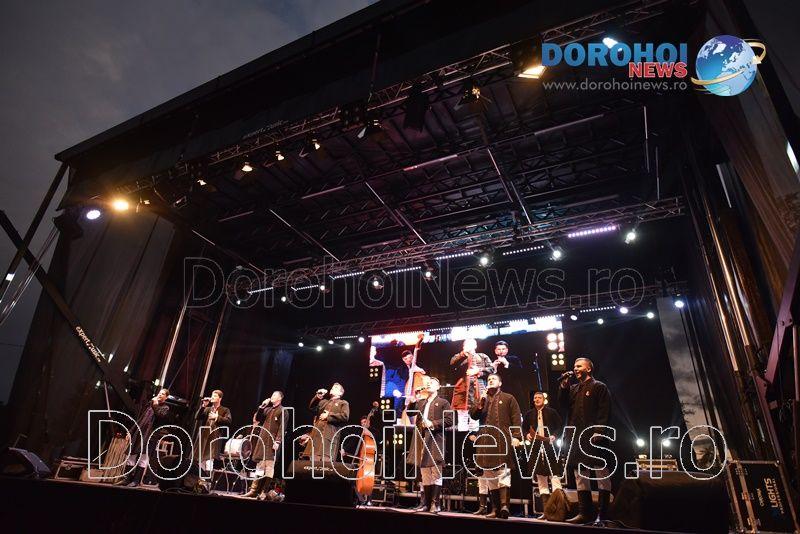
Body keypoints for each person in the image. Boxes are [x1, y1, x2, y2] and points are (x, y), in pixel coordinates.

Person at [558, 358, 612, 523]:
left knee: (601, 473)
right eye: (574, 366)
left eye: (579, 366)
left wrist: (599, 431)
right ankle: (584, 513)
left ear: (588, 369)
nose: (575, 369)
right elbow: (563, 404)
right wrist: (564, 386)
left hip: (594, 437)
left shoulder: (599, 386)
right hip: (576, 437)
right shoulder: (573, 388)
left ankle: (602, 515)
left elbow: (604, 409)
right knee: (580, 475)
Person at [469, 373, 523, 519]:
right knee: (489, 474)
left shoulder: (508, 398)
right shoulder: (483, 399)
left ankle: (505, 506)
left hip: (502, 440)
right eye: (489, 379)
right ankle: (495, 508)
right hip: (485, 441)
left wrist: (516, 436)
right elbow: (473, 415)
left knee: (503, 472)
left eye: (493, 379)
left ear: (500, 383)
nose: (490, 380)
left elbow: (516, 418)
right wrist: (480, 404)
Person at [407, 376, 453, 513]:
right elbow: (410, 413)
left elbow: (450, 420)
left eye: (432, 383)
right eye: (427, 383)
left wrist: (433, 423)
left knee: (436, 472)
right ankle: (426, 504)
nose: (428, 384)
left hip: (436, 439)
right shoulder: (421, 402)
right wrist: (413, 400)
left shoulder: (443, 402)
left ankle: (435, 503)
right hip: (421, 439)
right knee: (425, 472)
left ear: (438, 387)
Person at [117, 388, 171, 487]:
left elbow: (160, 416)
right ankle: (126, 478)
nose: (160, 395)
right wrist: (131, 431)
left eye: (163, 394)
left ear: (166, 397)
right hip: (140, 433)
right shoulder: (150, 405)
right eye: (159, 393)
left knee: (143, 458)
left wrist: (155, 404)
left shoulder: (165, 408)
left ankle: (136, 481)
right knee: (131, 455)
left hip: (150, 436)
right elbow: (140, 419)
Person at [523, 391, 563, 513]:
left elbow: (560, 427)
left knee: (555, 477)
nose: (537, 399)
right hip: (536, 449)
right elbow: (524, 428)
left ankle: (559, 511)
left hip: (550, 449)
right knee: (541, 479)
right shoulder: (529, 414)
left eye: (539, 397)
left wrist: (554, 436)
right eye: (535, 398)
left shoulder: (552, 412)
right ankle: (547, 512)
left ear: (543, 399)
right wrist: (526, 435)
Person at [245, 390, 286, 499]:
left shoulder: (283, 410)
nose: (272, 397)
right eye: (272, 395)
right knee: (259, 466)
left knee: (269, 468)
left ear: (280, 398)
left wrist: (278, 441)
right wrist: (262, 406)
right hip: (263, 440)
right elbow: (258, 418)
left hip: (272, 442)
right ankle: (253, 490)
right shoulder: (267, 409)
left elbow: (282, 427)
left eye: (274, 395)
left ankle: (264, 491)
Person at [307, 383, 350, 462]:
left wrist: (328, 415)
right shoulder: (324, 402)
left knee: (325, 462)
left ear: (340, 393)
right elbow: (312, 407)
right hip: (317, 435)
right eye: (332, 387)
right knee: (312, 461)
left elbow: (345, 416)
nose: (333, 388)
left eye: (336, 388)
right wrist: (318, 397)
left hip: (329, 436)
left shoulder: (343, 403)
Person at [450, 338, 493, 411]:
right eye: (466, 344)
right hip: (463, 387)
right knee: (462, 411)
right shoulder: (460, 357)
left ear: (475, 346)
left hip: (480, 385)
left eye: (471, 344)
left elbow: (492, 369)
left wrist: (478, 370)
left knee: (480, 408)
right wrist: (462, 354)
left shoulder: (482, 356)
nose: (468, 346)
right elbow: (452, 364)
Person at [195, 389, 232, 473]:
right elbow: (197, 417)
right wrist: (203, 406)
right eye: (212, 395)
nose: (212, 397)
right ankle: (199, 476)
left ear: (220, 398)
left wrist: (217, 417)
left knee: (209, 457)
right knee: (200, 456)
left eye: (215, 396)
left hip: (215, 436)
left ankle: (207, 477)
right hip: (204, 435)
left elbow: (228, 421)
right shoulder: (208, 409)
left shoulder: (225, 410)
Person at [491, 341, 525, 406]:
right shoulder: (492, 361)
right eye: (499, 349)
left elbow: (521, 372)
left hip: (514, 390)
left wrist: (507, 364)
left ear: (507, 350)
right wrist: (494, 369)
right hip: (499, 391)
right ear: (495, 351)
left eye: (503, 349)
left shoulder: (514, 359)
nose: (501, 351)